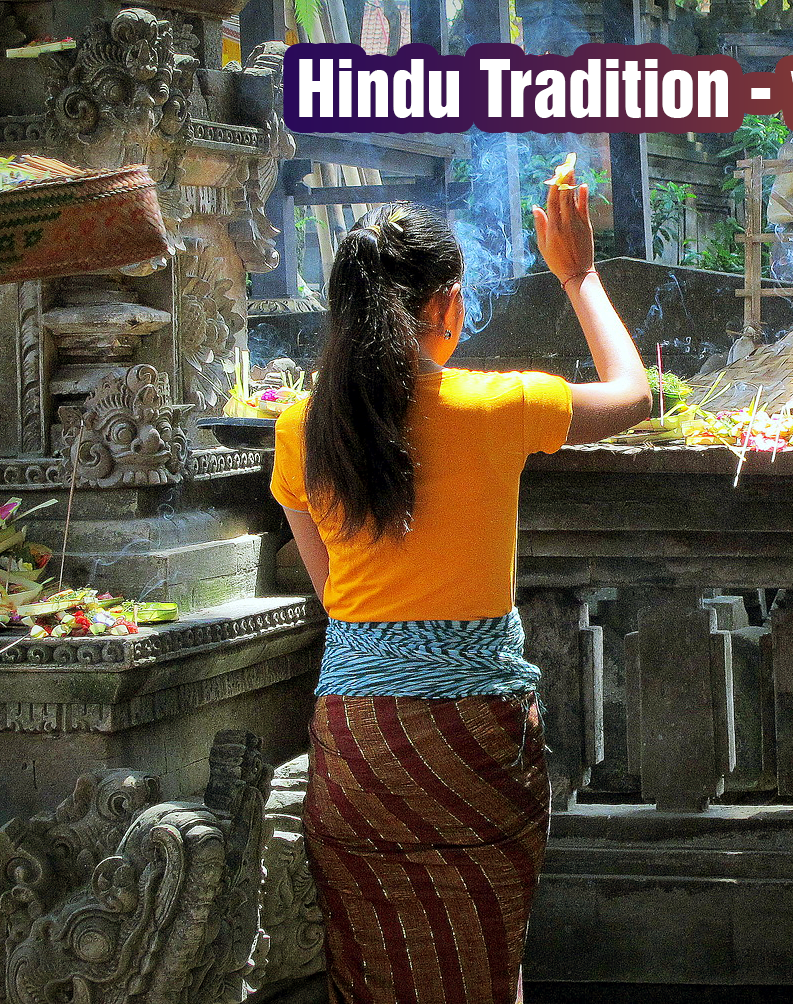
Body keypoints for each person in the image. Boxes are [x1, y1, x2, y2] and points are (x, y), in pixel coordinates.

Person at [270, 174, 650, 1003]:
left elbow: (341, 600)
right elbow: (634, 395)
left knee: (369, 977)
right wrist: (579, 276)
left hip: (360, 746)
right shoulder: (495, 405)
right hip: (475, 741)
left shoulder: (299, 431)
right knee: (485, 971)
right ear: (446, 305)